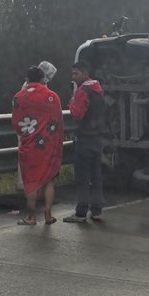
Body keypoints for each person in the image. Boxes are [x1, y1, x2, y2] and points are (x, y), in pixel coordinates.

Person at [11, 66, 64, 225]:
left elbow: (16, 123)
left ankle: (32, 217)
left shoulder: (18, 97)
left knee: (31, 181)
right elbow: (58, 121)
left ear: (27, 80)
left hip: (29, 145)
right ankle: (48, 215)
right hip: (48, 145)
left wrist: (27, 134)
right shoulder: (52, 96)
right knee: (49, 180)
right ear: (43, 79)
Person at [64, 60, 106, 223]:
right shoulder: (98, 89)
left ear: (84, 73)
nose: (73, 78)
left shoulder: (83, 91)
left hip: (85, 138)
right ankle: (96, 211)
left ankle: (81, 212)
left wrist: (72, 104)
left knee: (82, 176)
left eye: (76, 74)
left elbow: (77, 114)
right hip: (97, 138)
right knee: (96, 175)